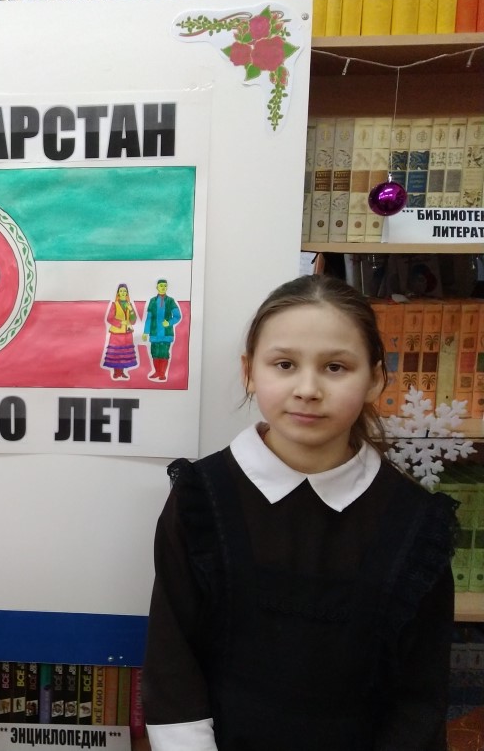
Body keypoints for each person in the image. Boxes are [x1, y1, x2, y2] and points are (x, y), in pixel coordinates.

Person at [142, 274, 457, 751]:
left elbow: (421, 695)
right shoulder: (201, 498)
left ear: (375, 378)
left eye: (335, 367)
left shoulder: (416, 523)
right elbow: (172, 660)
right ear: (250, 371)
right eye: (285, 364)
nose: (308, 389)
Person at [142, 279, 182, 382]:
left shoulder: (170, 301)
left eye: (165, 286)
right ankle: (157, 372)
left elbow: (177, 316)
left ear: (167, 287)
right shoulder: (152, 301)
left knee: (164, 353)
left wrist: (169, 323)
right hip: (154, 333)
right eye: (161, 286)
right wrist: (145, 332)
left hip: (166, 333)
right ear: (157, 287)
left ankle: (162, 373)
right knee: (155, 353)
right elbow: (149, 317)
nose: (163, 287)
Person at [102, 283, 139, 380]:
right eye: (121, 291)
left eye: (124, 291)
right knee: (116, 353)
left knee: (125, 353)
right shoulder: (114, 305)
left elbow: (133, 321)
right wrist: (120, 322)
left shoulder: (129, 304)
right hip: (116, 333)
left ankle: (122, 372)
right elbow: (109, 318)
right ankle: (116, 372)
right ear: (118, 293)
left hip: (127, 333)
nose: (123, 293)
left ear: (127, 293)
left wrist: (131, 310)